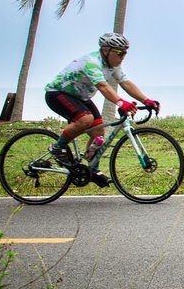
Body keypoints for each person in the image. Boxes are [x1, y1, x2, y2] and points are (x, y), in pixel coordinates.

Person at [44, 33, 160, 183]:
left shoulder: (113, 66)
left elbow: (125, 83)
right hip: (57, 93)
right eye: (119, 52)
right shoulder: (92, 62)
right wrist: (121, 103)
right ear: (106, 50)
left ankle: (92, 168)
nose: (123, 56)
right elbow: (103, 87)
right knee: (86, 119)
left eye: (125, 52)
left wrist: (146, 100)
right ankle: (57, 147)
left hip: (80, 97)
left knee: (98, 132)